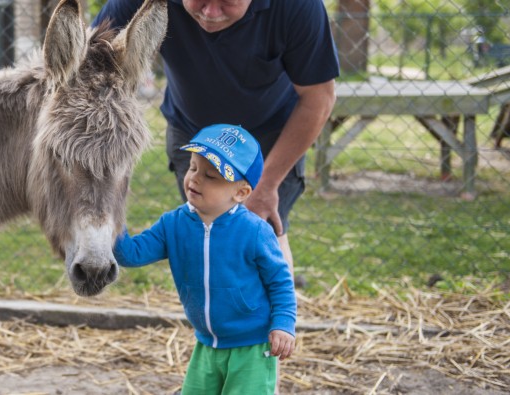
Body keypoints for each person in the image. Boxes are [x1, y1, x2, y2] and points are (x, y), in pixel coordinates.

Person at [93, 0, 340, 285]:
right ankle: (213, 326)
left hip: (270, 136)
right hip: (195, 133)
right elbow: (90, 63)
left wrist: (266, 186)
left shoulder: (298, 6)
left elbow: (318, 98)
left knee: (262, 235)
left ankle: (277, 325)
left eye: (226, 1)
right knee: (208, 235)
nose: (210, 13)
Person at [113, 124, 297, 394]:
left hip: (251, 347)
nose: (195, 179)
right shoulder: (173, 224)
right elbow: (131, 254)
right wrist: (112, 217)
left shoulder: (255, 232)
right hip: (206, 345)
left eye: (211, 176)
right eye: (193, 167)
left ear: (241, 193)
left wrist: (283, 325)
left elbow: (280, 283)